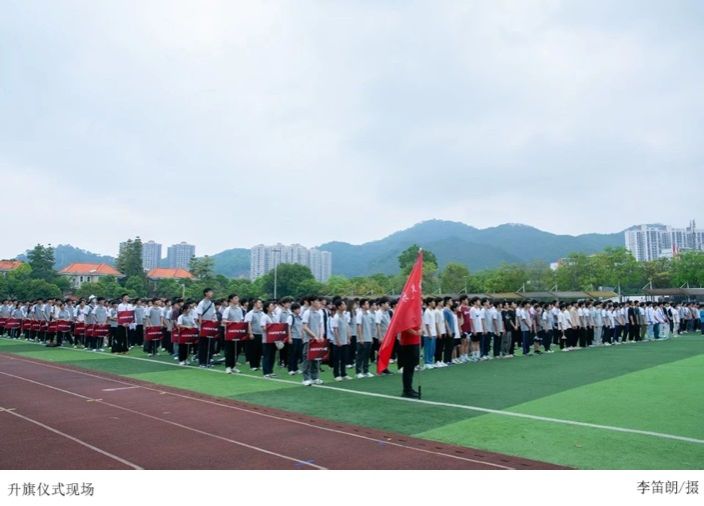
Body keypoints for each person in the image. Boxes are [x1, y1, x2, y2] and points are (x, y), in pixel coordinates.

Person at [301, 296, 325, 386]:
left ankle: (315, 377)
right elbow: (304, 327)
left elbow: (321, 325)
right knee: (307, 358)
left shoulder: (319, 313)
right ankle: (306, 378)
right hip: (309, 339)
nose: (319, 303)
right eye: (317, 301)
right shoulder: (307, 312)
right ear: (312, 302)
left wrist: (321, 335)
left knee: (316, 358)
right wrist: (314, 336)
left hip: (317, 340)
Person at [222, 294, 244, 374]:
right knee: (229, 350)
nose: (237, 299)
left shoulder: (239, 309)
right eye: (235, 298)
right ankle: (228, 367)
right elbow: (224, 320)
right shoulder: (227, 309)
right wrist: (233, 323)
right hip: (229, 333)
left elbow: (241, 320)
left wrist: (240, 324)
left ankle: (233, 366)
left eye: (237, 298)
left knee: (237, 350)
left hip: (238, 332)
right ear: (231, 300)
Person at [331, 299, 351, 381]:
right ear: (339, 307)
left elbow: (346, 327)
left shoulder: (345, 315)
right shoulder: (336, 317)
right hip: (338, 342)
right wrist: (337, 340)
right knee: (337, 359)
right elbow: (335, 329)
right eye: (343, 305)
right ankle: (336, 375)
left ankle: (343, 374)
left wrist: (348, 337)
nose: (345, 306)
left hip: (345, 340)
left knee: (344, 358)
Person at [355, 298, 375, 378]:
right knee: (360, 355)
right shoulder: (360, 314)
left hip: (368, 337)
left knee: (367, 355)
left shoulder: (368, 314)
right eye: (366, 304)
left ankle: (366, 371)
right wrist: (361, 338)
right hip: (362, 338)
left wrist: (371, 337)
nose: (368, 305)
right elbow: (359, 326)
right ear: (362, 305)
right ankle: (358, 372)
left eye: (368, 304)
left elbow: (370, 326)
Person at [244, 298, 264, 371]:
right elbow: (248, 324)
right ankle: (253, 365)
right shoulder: (250, 313)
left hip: (261, 334)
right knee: (253, 350)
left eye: (261, 303)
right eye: (259, 303)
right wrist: (250, 333)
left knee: (259, 350)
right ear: (255, 304)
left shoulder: (262, 313)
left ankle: (258, 364)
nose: (260, 304)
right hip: (254, 334)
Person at [260, 301, 277, 378]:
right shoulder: (264, 316)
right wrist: (271, 327)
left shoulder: (274, 316)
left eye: (273, 306)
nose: (273, 307)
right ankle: (266, 372)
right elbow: (263, 328)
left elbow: (277, 326)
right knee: (267, 356)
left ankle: (270, 370)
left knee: (272, 356)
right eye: (271, 306)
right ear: (267, 308)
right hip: (266, 340)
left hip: (274, 339)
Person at [287, 302, 304, 375]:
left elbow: (302, 328)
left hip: (299, 337)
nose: (299, 310)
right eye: (297, 309)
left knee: (298, 354)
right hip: (293, 337)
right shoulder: (291, 317)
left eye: (299, 309)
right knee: (292, 354)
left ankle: (295, 368)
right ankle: (290, 369)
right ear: (293, 310)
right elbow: (289, 328)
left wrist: (302, 337)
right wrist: (290, 338)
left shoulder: (300, 317)